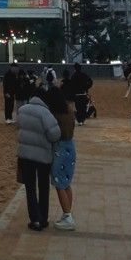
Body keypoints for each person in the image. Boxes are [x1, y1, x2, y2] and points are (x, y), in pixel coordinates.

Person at [16, 86, 61, 231]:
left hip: (25, 155)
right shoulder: (45, 112)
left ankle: (34, 218)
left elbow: (20, 127)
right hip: (43, 156)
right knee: (43, 186)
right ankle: (43, 218)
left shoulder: (22, 110)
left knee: (30, 188)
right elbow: (55, 135)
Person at [43, 87, 77, 231]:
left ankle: (68, 216)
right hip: (71, 147)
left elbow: (52, 133)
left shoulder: (54, 115)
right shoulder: (69, 111)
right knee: (67, 182)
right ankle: (67, 213)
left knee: (58, 183)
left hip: (60, 149)